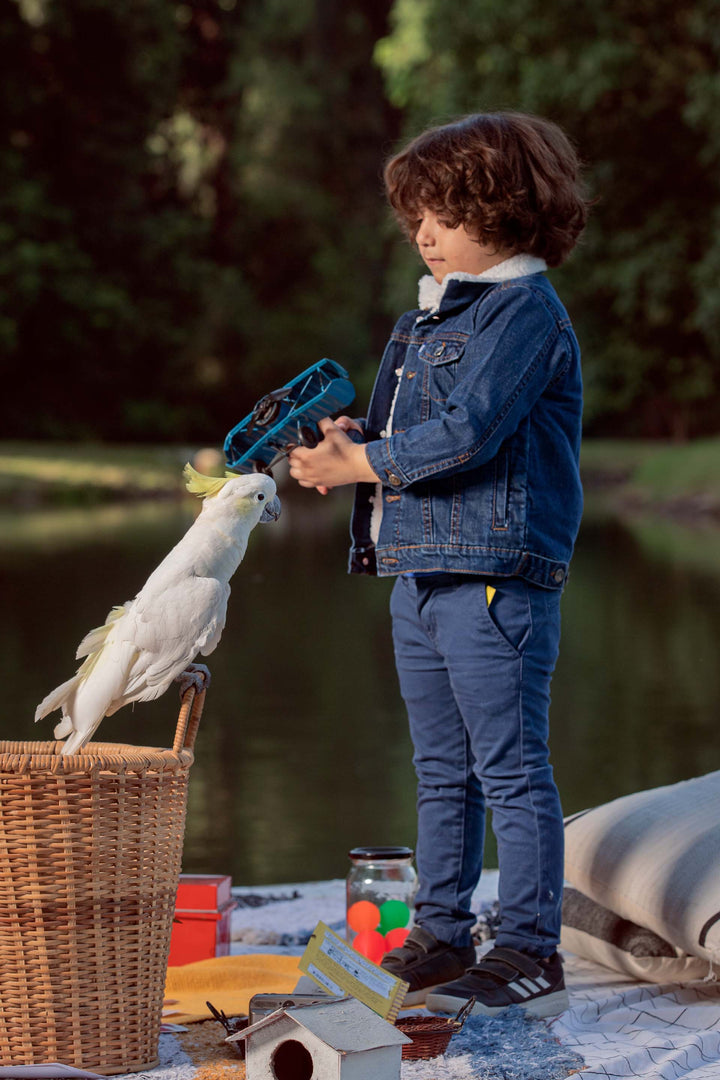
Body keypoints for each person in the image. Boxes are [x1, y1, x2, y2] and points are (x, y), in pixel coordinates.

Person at [288, 111, 588, 1018]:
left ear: (503, 209)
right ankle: (443, 933)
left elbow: (468, 433)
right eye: (415, 215)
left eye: (442, 214)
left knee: (510, 767)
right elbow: (415, 434)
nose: (422, 233)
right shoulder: (426, 318)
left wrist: (361, 466)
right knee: (440, 768)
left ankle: (532, 948)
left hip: (495, 577)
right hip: (419, 572)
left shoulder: (526, 313)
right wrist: (357, 441)